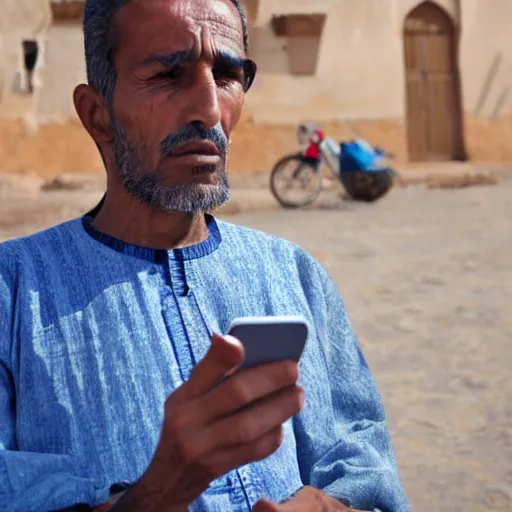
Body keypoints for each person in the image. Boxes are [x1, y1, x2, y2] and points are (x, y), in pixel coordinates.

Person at [0, 0, 409, 511]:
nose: (210, 110)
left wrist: (333, 507)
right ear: (98, 115)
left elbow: (367, 471)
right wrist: (155, 495)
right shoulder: (13, 293)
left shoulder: (295, 275)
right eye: (169, 75)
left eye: (227, 74)